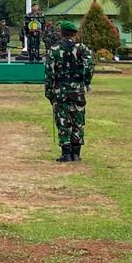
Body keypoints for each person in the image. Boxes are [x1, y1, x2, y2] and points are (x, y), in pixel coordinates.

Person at [43, 20, 94, 163]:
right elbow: (89, 66)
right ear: (75, 33)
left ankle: (66, 153)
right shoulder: (83, 49)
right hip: (77, 90)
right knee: (78, 120)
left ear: (61, 33)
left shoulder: (54, 50)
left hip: (61, 91)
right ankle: (76, 153)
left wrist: (49, 94)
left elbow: (49, 74)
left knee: (63, 120)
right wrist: (87, 82)